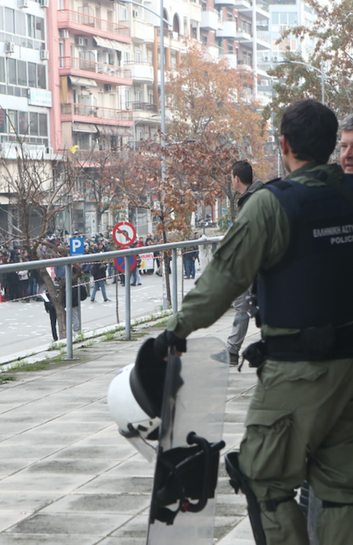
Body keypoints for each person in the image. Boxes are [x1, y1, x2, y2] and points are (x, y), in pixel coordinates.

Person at [154, 100, 353, 545]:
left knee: (263, 479)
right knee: (341, 491)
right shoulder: (348, 196)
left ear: (283, 144)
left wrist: (176, 330)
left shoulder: (270, 205)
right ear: (329, 146)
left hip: (297, 372)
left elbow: (223, 278)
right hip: (348, 370)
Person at [226, 160, 264, 365]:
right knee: (246, 304)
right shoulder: (254, 196)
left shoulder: (251, 199)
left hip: (250, 263)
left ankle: (232, 352)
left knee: (242, 304)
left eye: (231, 178)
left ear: (236, 178)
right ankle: (232, 350)